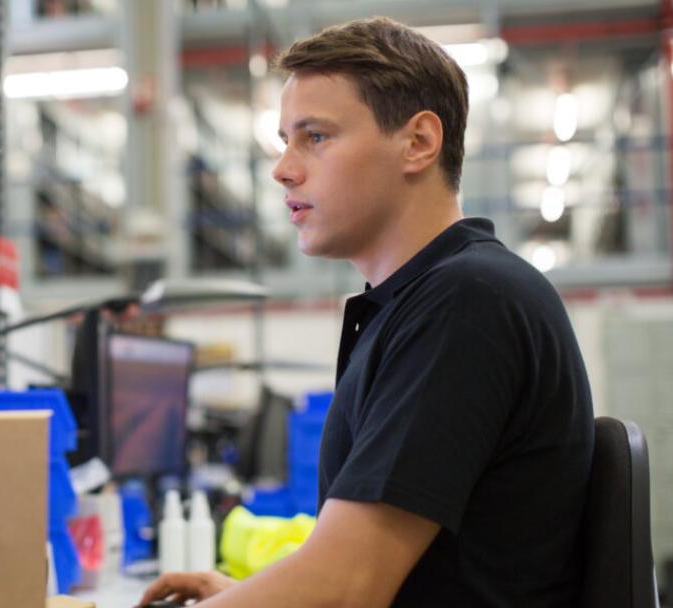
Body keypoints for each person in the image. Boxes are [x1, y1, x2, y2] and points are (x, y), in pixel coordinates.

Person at [138, 16, 594, 608]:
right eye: (285, 141)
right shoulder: (424, 300)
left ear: (418, 142)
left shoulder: (468, 301)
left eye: (316, 137)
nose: (283, 168)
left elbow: (348, 588)